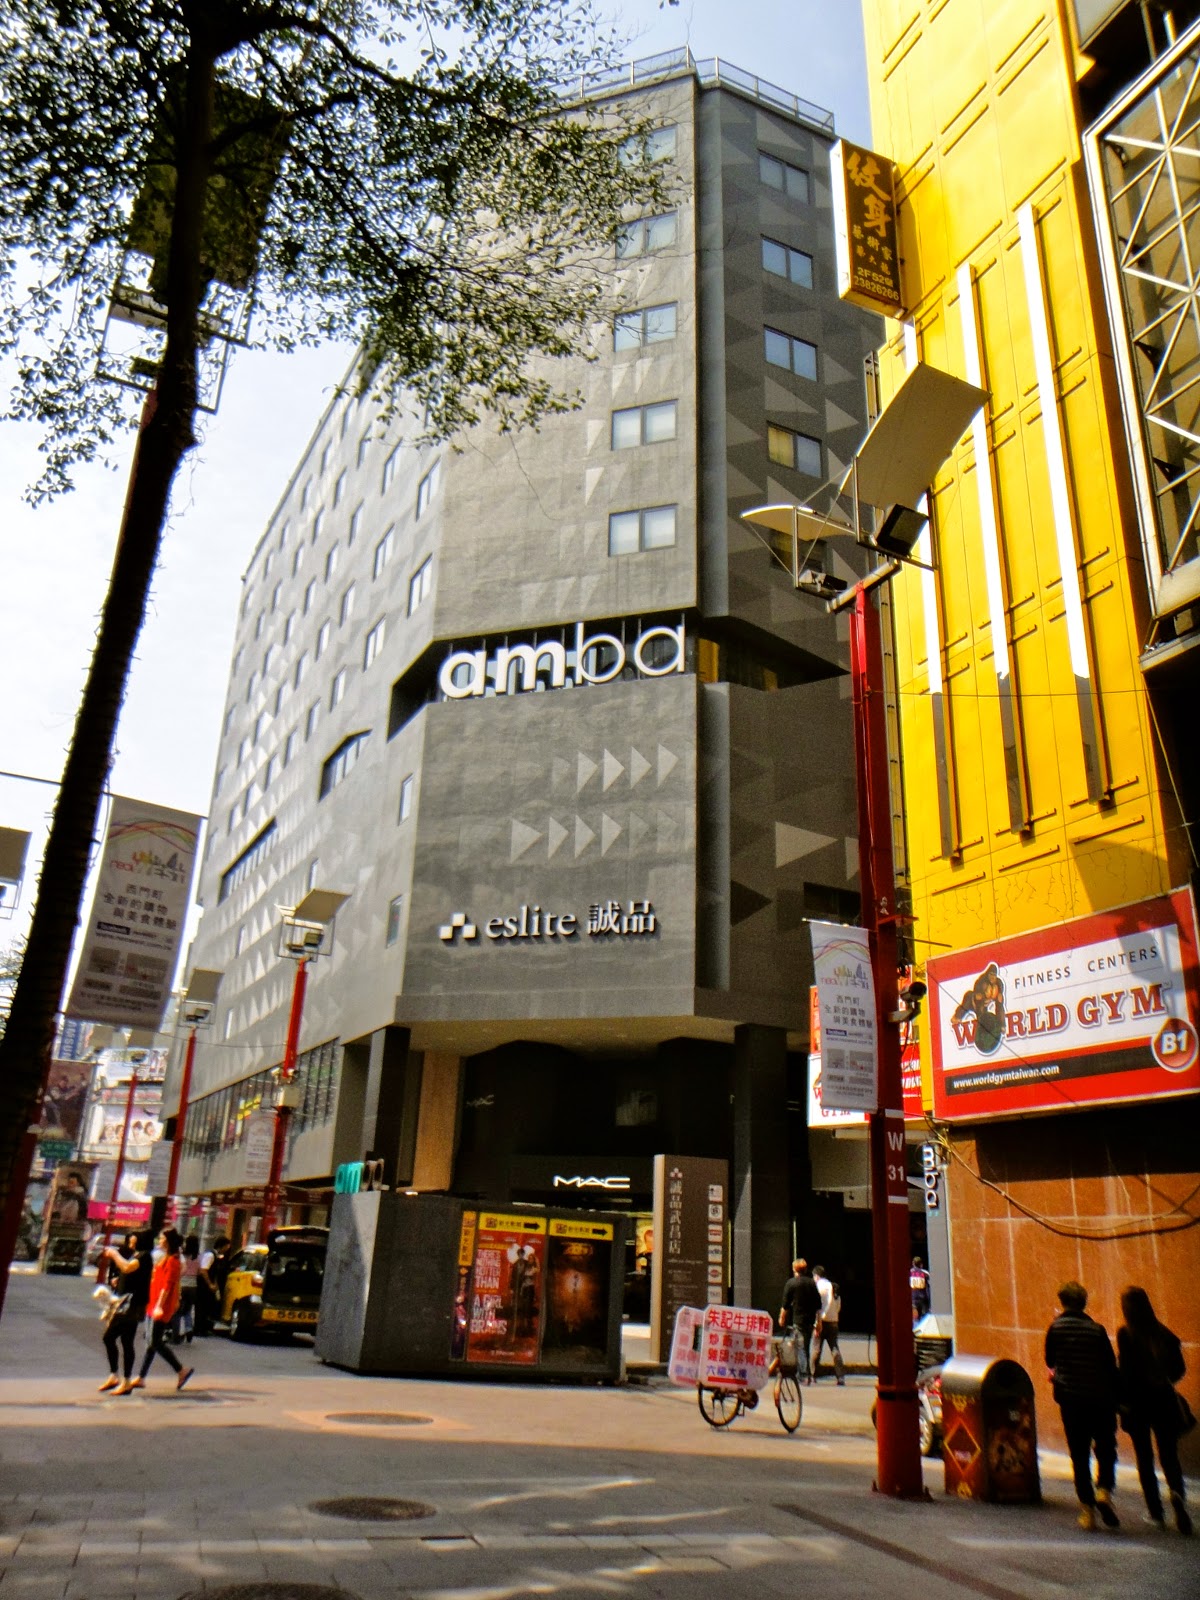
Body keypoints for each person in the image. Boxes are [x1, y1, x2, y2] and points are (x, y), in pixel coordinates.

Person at [1044, 1280, 1120, 1530]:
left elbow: (1050, 1361)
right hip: (1100, 1398)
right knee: (1105, 1447)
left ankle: (1087, 1510)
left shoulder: (1055, 1329)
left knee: (1079, 1453)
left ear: (1063, 1302)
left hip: (1071, 1400)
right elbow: (1110, 1364)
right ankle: (1104, 1490)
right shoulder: (1097, 1330)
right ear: (1084, 1303)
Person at [1117, 1286, 1192, 1535]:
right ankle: (1176, 1495)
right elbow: (1179, 1370)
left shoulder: (1126, 1334)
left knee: (1144, 1457)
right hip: (1163, 1401)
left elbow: (1125, 1371)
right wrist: (1163, 1380)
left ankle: (1156, 1512)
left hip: (1137, 1404)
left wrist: (1122, 1400)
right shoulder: (1165, 1335)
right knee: (1169, 1455)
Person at [130, 1229, 193, 1391]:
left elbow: (167, 1286)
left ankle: (181, 1370)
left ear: (168, 1241)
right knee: (152, 1342)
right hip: (153, 1303)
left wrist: (159, 1305)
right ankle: (141, 1377)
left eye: (162, 1238)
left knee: (154, 1341)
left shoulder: (173, 1261)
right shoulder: (165, 1258)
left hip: (161, 1306)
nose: (159, 1240)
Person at [98, 1229, 154, 1395]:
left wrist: (114, 1254)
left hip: (130, 1306)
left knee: (109, 1337)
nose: (131, 1239)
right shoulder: (137, 1255)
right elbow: (131, 1273)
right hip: (128, 1304)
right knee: (126, 1342)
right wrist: (120, 1280)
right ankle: (123, 1380)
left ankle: (117, 1377)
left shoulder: (144, 1256)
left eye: (134, 1236)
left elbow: (128, 1267)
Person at [778, 1258, 821, 1384]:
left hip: (798, 1319)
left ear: (794, 1269)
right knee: (805, 1346)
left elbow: (785, 1304)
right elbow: (818, 1304)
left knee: (800, 1347)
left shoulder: (791, 1283)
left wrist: (782, 1317)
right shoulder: (812, 1283)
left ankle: (803, 1374)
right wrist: (819, 1322)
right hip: (810, 1319)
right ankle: (803, 1372)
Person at [811, 1266, 845, 1384]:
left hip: (821, 1321)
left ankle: (812, 1374)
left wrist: (817, 1322)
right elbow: (838, 1306)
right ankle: (840, 1376)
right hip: (833, 1321)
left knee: (816, 1349)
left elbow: (816, 1307)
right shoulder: (834, 1287)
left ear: (816, 1276)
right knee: (834, 1348)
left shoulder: (818, 1287)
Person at [196, 1235, 231, 1334]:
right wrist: (210, 1284)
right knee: (202, 1307)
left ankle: (204, 1327)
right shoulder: (210, 1255)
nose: (226, 1249)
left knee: (206, 1306)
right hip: (203, 1286)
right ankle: (199, 1328)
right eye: (226, 1247)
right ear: (221, 1246)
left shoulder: (216, 1256)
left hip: (208, 1285)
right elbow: (203, 1270)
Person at [173, 1235, 201, 1344]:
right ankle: (189, 1329)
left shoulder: (182, 1256)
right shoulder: (198, 1257)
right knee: (188, 1310)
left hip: (182, 1284)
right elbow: (199, 1272)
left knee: (177, 1311)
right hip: (193, 1286)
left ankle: (175, 1335)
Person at [909, 1256, 931, 1326]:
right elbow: (928, 1288)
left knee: (915, 1318)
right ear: (921, 1264)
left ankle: (916, 1329)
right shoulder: (925, 1274)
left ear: (913, 1263)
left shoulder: (909, 1273)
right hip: (923, 1299)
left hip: (913, 1298)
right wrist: (929, 1301)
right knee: (924, 1318)